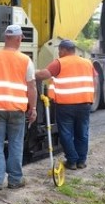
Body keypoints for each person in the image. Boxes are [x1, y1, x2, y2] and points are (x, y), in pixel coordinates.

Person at [0, 24, 38, 190]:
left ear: (5, 38)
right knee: (16, 144)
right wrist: (32, 108)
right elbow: (32, 86)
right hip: (17, 109)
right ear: (19, 39)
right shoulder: (25, 60)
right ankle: (15, 180)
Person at [35, 39, 96, 170]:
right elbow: (94, 79)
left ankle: (72, 161)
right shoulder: (87, 63)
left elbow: (43, 75)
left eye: (59, 50)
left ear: (64, 50)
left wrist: (29, 72)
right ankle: (81, 161)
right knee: (82, 133)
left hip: (66, 105)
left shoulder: (59, 63)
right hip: (85, 103)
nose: (58, 53)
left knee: (66, 134)